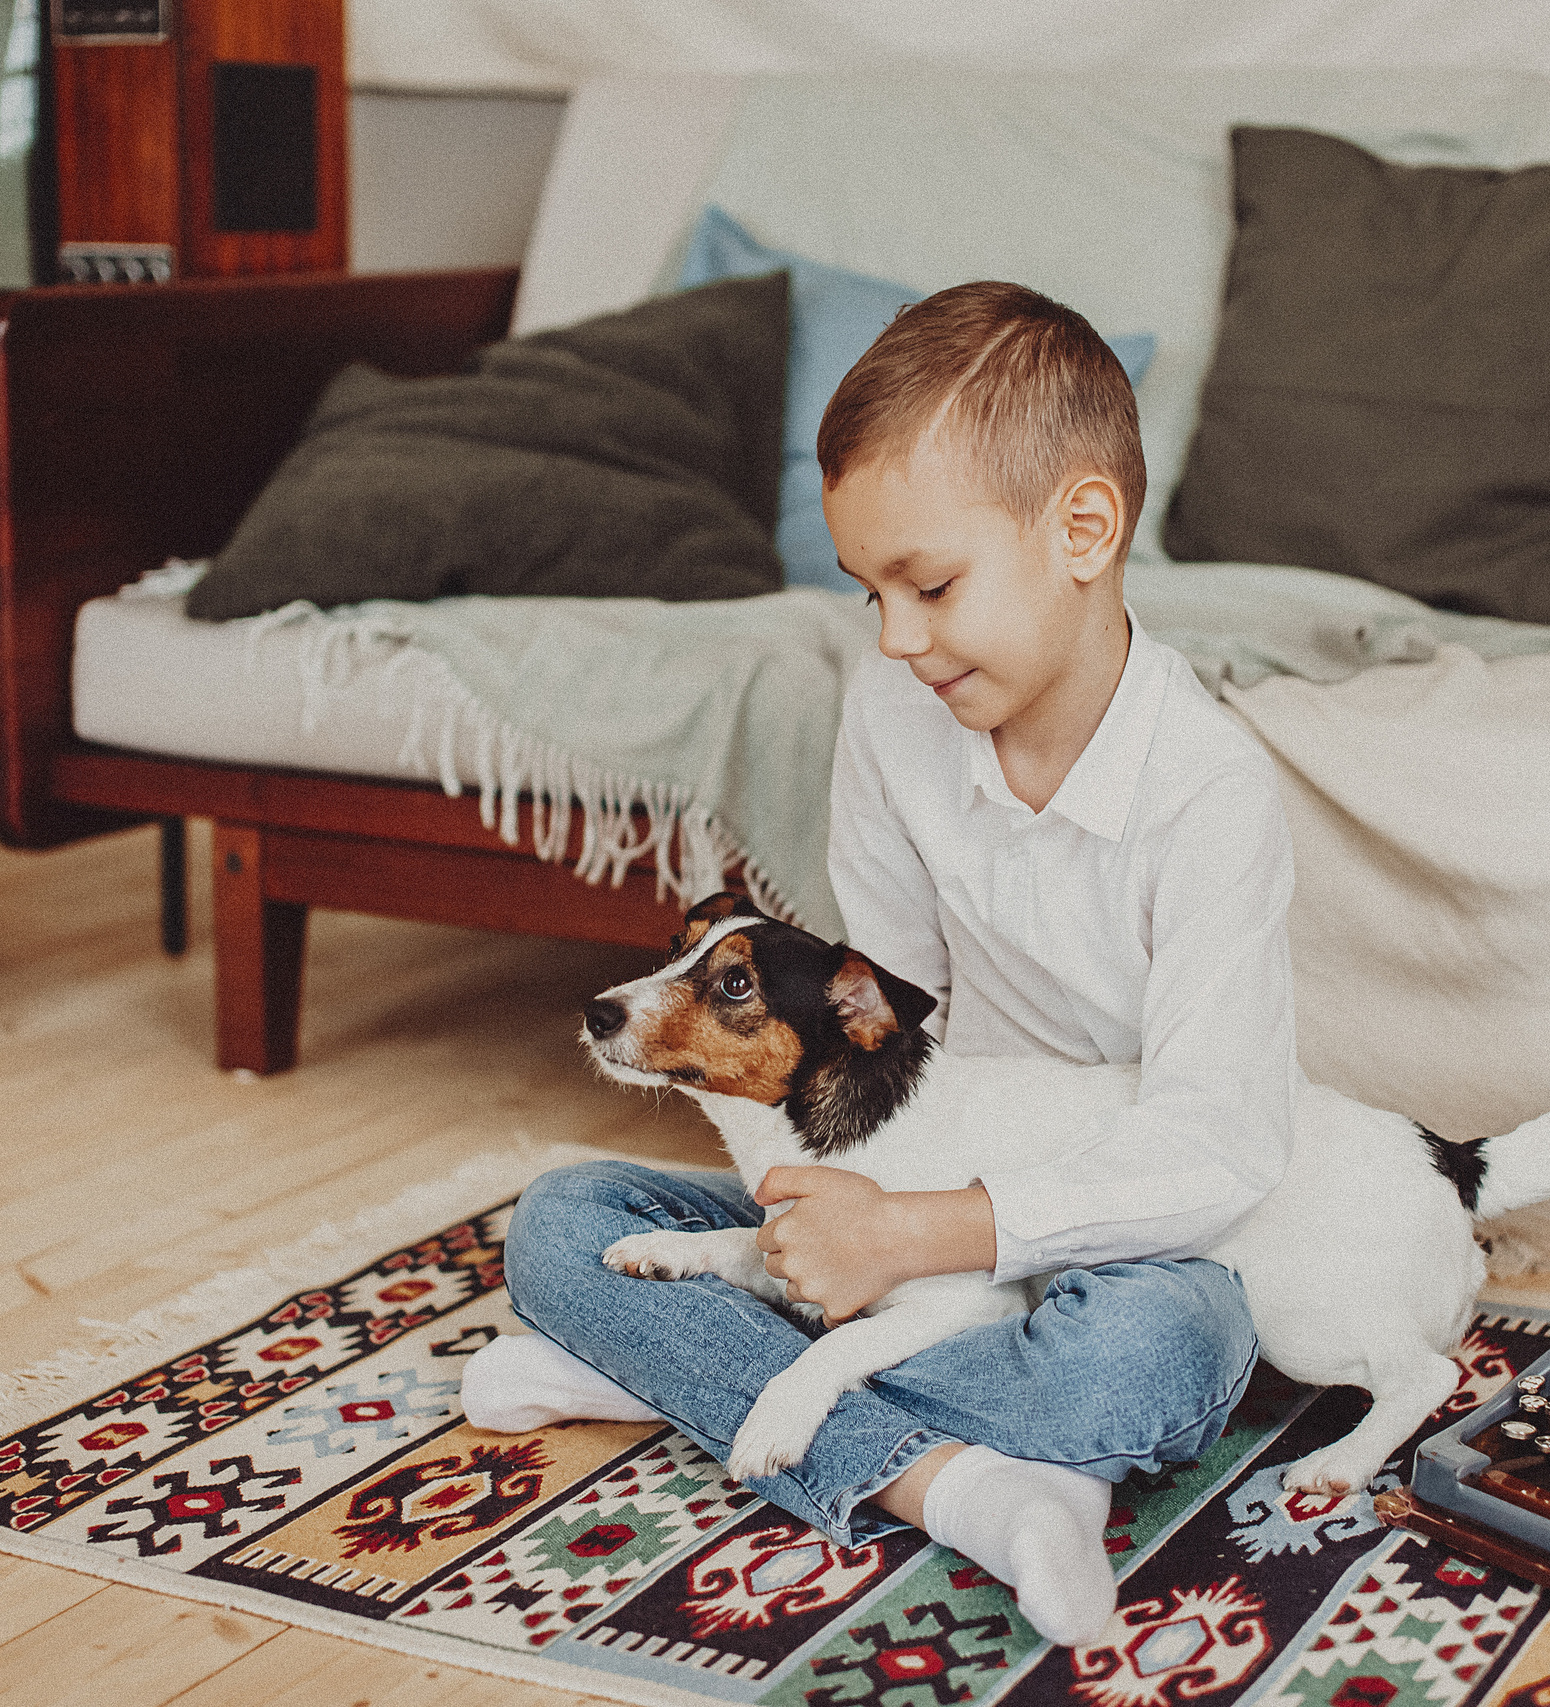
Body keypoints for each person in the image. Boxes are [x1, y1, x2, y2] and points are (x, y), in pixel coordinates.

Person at [464, 280, 1300, 1648]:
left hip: (1117, 1241)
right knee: (563, 1221)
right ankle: (971, 1488)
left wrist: (912, 1235)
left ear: (1084, 529)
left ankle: (687, 1375)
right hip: (920, 1176)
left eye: (931, 586)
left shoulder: (1211, 794)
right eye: (870, 594)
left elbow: (1222, 1143)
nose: (896, 640)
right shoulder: (893, 709)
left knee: (1137, 1366)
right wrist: (840, 1206)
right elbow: (879, 1031)